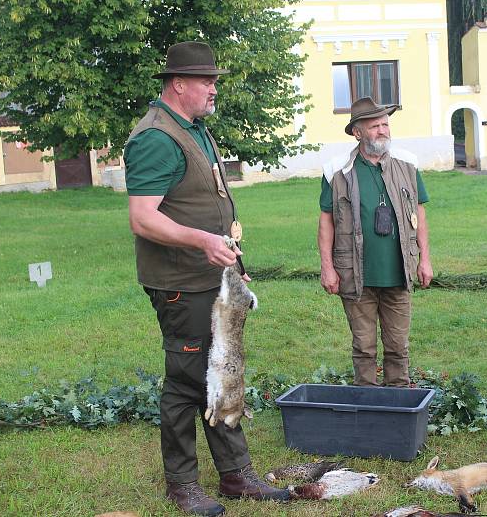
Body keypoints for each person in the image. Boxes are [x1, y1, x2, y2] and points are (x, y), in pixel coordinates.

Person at [124, 41, 289, 516]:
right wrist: (202, 241)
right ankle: (182, 485)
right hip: (182, 282)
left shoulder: (192, 128)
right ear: (178, 84)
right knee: (185, 382)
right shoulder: (156, 137)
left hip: (212, 278)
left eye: (214, 79)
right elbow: (142, 218)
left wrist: (225, 256)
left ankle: (236, 475)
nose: (214, 88)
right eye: (206, 80)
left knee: (223, 372)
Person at [318, 97, 433, 387]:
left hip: (399, 272)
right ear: (357, 133)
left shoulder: (407, 164)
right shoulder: (337, 170)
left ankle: (397, 401)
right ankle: (367, 403)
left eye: (385, 124)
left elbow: (419, 212)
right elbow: (326, 221)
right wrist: (327, 267)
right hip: (355, 274)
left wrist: (425, 259)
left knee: (398, 347)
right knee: (364, 347)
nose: (383, 131)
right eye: (374, 126)